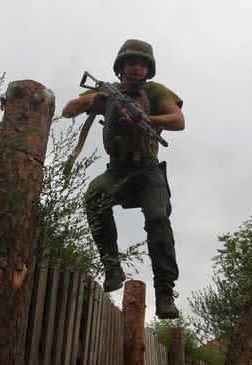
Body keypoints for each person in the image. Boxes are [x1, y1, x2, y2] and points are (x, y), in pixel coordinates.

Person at [62, 39, 185, 319]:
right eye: (131, 62)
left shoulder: (156, 91)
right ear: (121, 66)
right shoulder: (108, 91)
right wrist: (92, 100)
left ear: (148, 69)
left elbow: (179, 121)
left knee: (158, 217)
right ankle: (112, 268)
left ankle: (165, 291)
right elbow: (68, 111)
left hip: (148, 170)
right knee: (94, 195)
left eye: (142, 63)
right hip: (117, 170)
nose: (136, 67)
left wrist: (147, 119)